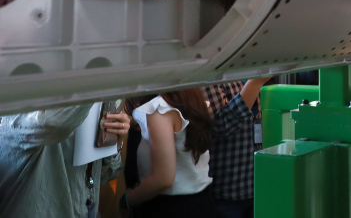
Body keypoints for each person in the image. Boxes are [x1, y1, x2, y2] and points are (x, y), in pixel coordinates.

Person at [0, 103, 129, 217]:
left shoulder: (87, 108)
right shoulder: (17, 115)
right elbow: (55, 122)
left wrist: (115, 142)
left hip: (89, 209)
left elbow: (105, 175)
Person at [121, 89, 214, 217]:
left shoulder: (160, 109)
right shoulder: (190, 97)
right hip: (202, 200)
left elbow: (163, 179)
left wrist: (127, 200)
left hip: (170, 206)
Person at [204, 78, 271, 218]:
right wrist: (255, 83)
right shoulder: (212, 75)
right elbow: (220, 125)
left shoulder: (249, 71)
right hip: (226, 190)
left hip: (257, 185)